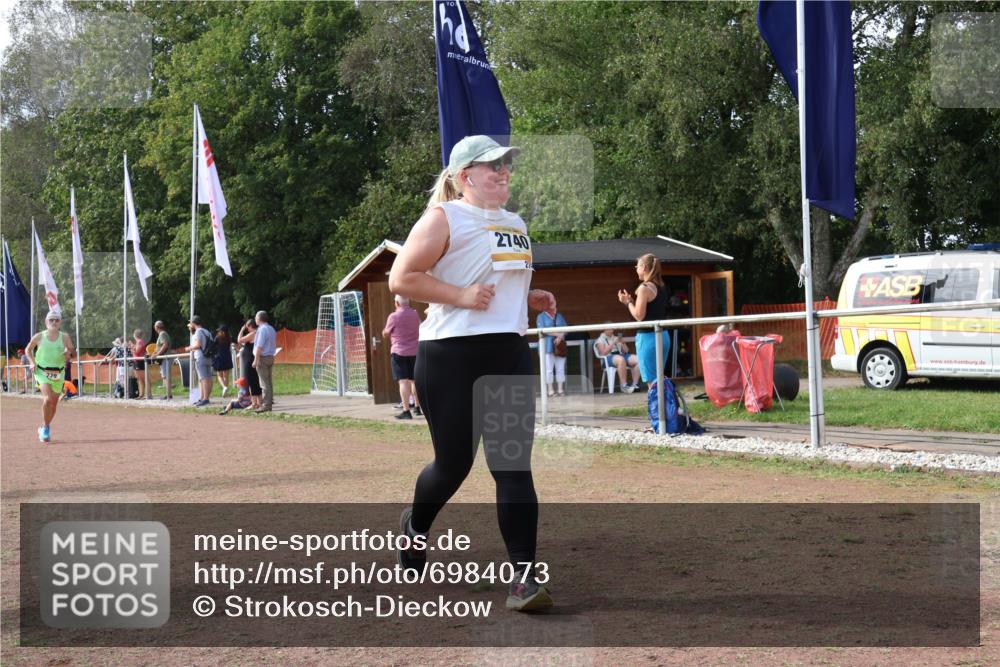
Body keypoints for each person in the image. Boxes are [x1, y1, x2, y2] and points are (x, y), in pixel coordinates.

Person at [388, 134, 556, 612]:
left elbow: (498, 276)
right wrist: (461, 297)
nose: (502, 173)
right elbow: (403, 278)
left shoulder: (516, 223)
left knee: (512, 466)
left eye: (505, 166)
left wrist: (530, 296)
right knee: (453, 465)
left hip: (507, 351)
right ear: (465, 177)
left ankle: (523, 579)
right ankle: (416, 526)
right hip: (450, 356)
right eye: (491, 167)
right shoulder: (444, 217)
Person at [618, 253, 671, 391]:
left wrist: (628, 302)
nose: (635, 269)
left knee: (652, 383)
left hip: (648, 338)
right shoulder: (662, 286)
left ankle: (658, 412)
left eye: (637, 266)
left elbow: (639, 316)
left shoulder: (644, 288)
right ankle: (664, 411)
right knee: (659, 379)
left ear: (644, 267)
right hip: (663, 336)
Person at [25, 310, 75, 442]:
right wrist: (32, 362)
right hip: (42, 371)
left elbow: (72, 351)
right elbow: (28, 349)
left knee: (53, 404)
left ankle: (43, 426)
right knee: (47, 399)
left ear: (60, 323)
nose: (54, 322)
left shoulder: (64, 337)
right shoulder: (39, 336)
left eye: (56, 320)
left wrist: (68, 353)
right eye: (51, 320)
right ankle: (46, 428)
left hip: (59, 373)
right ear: (46, 322)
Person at [383, 295, 422, 419]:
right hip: (415, 351)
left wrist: (384, 333)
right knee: (414, 380)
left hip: (399, 351)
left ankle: (406, 411)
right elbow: (419, 327)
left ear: (397, 303)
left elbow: (386, 333)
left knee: (403, 381)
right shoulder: (415, 314)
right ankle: (417, 407)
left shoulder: (393, 316)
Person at [594, 324, 640, 392]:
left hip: (621, 356)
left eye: (612, 329)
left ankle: (635, 384)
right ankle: (624, 385)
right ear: (604, 329)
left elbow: (626, 351)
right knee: (621, 360)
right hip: (608, 358)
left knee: (638, 359)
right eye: (609, 329)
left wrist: (623, 343)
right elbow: (603, 353)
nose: (611, 331)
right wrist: (613, 343)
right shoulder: (600, 340)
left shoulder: (616, 337)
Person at [536, 305, 568, 397]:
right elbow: (542, 330)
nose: (553, 308)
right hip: (547, 346)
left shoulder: (559, 316)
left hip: (559, 345)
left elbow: (566, 329)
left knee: (560, 368)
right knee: (549, 369)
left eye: (554, 307)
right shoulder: (541, 316)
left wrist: (560, 336)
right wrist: (558, 334)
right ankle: (550, 390)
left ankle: (560, 389)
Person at [184, 315, 214, 406]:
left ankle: (205, 399)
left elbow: (198, 345)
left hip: (201, 357)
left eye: (191, 323)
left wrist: (188, 348)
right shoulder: (207, 331)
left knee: (203, 379)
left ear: (193, 323)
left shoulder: (198, 332)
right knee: (208, 378)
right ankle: (203, 398)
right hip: (209, 356)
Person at [252, 310, 277, 413]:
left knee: (264, 383)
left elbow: (259, 346)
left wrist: (255, 360)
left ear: (259, 319)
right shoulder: (271, 328)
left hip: (262, 358)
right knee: (269, 381)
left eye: (256, 318)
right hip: (270, 356)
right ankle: (269, 402)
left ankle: (266, 404)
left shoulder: (262, 330)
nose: (255, 319)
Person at [237, 319, 263, 410]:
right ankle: (259, 402)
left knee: (252, 381)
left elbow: (240, 340)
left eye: (247, 328)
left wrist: (241, 330)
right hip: (251, 359)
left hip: (250, 360)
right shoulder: (257, 333)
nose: (247, 330)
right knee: (255, 381)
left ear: (250, 326)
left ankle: (254, 402)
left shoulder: (253, 333)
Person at [151, 321, 174, 400]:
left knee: (166, 377)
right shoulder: (163, 334)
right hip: (164, 358)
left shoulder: (162, 334)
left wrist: (157, 354)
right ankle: (168, 394)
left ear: (157, 327)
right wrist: (156, 352)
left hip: (165, 358)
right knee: (165, 376)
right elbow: (162, 346)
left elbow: (165, 344)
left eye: (154, 326)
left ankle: (168, 395)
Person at [213, 325, 234, 397]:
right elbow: (237, 341)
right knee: (226, 376)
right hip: (227, 357)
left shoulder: (217, 338)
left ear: (221, 331)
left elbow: (213, 346)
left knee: (219, 375)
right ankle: (226, 391)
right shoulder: (229, 338)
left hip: (219, 357)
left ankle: (224, 387)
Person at [131, 329, 147, 399]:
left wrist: (132, 347)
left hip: (139, 361)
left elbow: (137, 351)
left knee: (141, 379)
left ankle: (142, 395)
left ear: (135, 335)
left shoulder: (140, 341)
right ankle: (141, 394)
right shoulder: (138, 342)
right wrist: (132, 346)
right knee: (139, 379)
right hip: (137, 361)